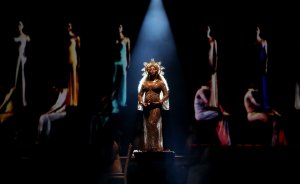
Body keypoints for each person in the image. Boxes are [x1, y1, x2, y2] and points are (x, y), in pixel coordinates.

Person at [137, 59, 169, 152]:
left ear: (157, 70)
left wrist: (161, 101)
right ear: (147, 70)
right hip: (146, 107)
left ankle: (155, 145)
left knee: (153, 123)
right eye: (150, 69)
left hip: (156, 106)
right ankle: (149, 146)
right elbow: (140, 94)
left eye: (153, 69)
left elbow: (166, 94)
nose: (152, 70)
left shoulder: (160, 82)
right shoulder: (145, 83)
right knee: (147, 126)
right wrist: (141, 102)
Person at [112, 24, 131, 113]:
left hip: (123, 61)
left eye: (120, 27)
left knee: (123, 81)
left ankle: (122, 100)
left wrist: (129, 63)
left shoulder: (127, 39)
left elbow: (128, 52)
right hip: (116, 62)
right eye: (117, 27)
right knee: (114, 81)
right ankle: (113, 101)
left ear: (122, 28)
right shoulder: (115, 39)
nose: (118, 28)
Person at [14, 21, 30, 107]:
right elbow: (16, 39)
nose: (19, 26)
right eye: (18, 25)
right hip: (19, 58)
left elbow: (28, 40)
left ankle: (24, 100)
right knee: (16, 79)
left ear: (23, 26)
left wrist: (26, 55)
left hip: (23, 58)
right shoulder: (19, 37)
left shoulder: (25, 37)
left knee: (23, 79)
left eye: (20, 24)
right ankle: (17, 99)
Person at [254, 26, 269, 111]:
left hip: (262, 66)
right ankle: (258, 104)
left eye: (257, 29)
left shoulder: (264, 41)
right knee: (258, 86)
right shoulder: (255, 43)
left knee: (263, 85)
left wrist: (266, 66)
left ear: (259, 31)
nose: (256, 31)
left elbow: (266, 55)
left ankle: (264, 105)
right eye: (255, 29)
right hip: (257, 66)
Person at [66, 22, 80, 107]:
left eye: (70, 25)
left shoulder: (76, 37)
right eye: (67, 25)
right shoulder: (66, 37)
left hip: (74, 58)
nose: (68, 27)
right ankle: (70, 99)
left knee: (74, 78)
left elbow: (79, 51)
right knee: (69, 79)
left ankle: (74, 100)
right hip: (68, 58)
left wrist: (79, 61)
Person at [206, 25, 218, 108]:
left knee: (214, 82)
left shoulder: (214, 41)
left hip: (213, 66)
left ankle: (214, 102)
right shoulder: (208, 41)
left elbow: (216, 55)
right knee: (210, 84)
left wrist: (215, 66)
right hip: (209, 65)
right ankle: (211, 102)